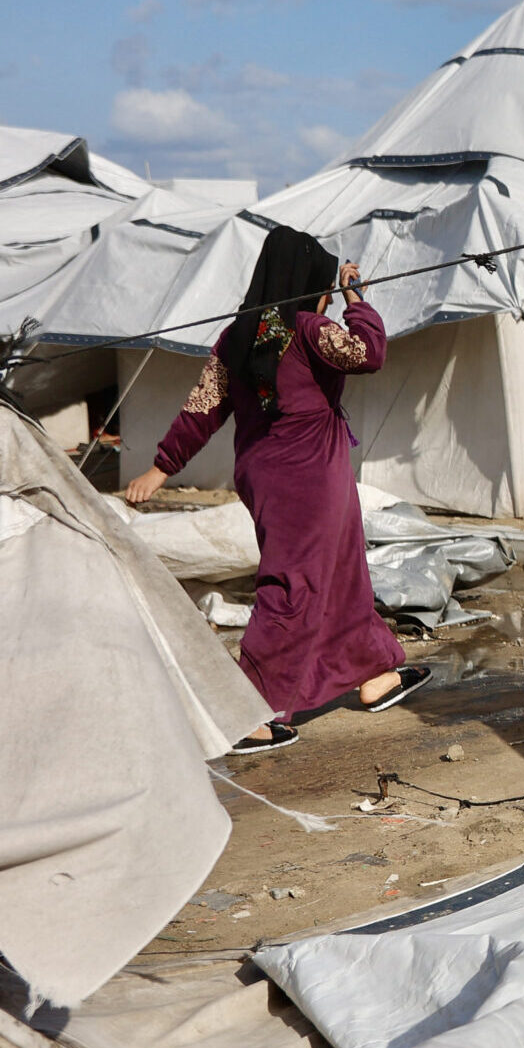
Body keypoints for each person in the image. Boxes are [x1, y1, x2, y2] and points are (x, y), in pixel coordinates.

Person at [122, 226, 429, 752]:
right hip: (309, 478)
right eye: (324, 287)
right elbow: (369, 352)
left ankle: (374, 671)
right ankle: (248, 710)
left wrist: (162, 467)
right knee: (293, 586)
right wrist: (357, 301)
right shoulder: (309, 329)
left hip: (274, 474)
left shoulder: (237, 337)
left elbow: (203, 407)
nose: (327, 296)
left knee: (342, 572)